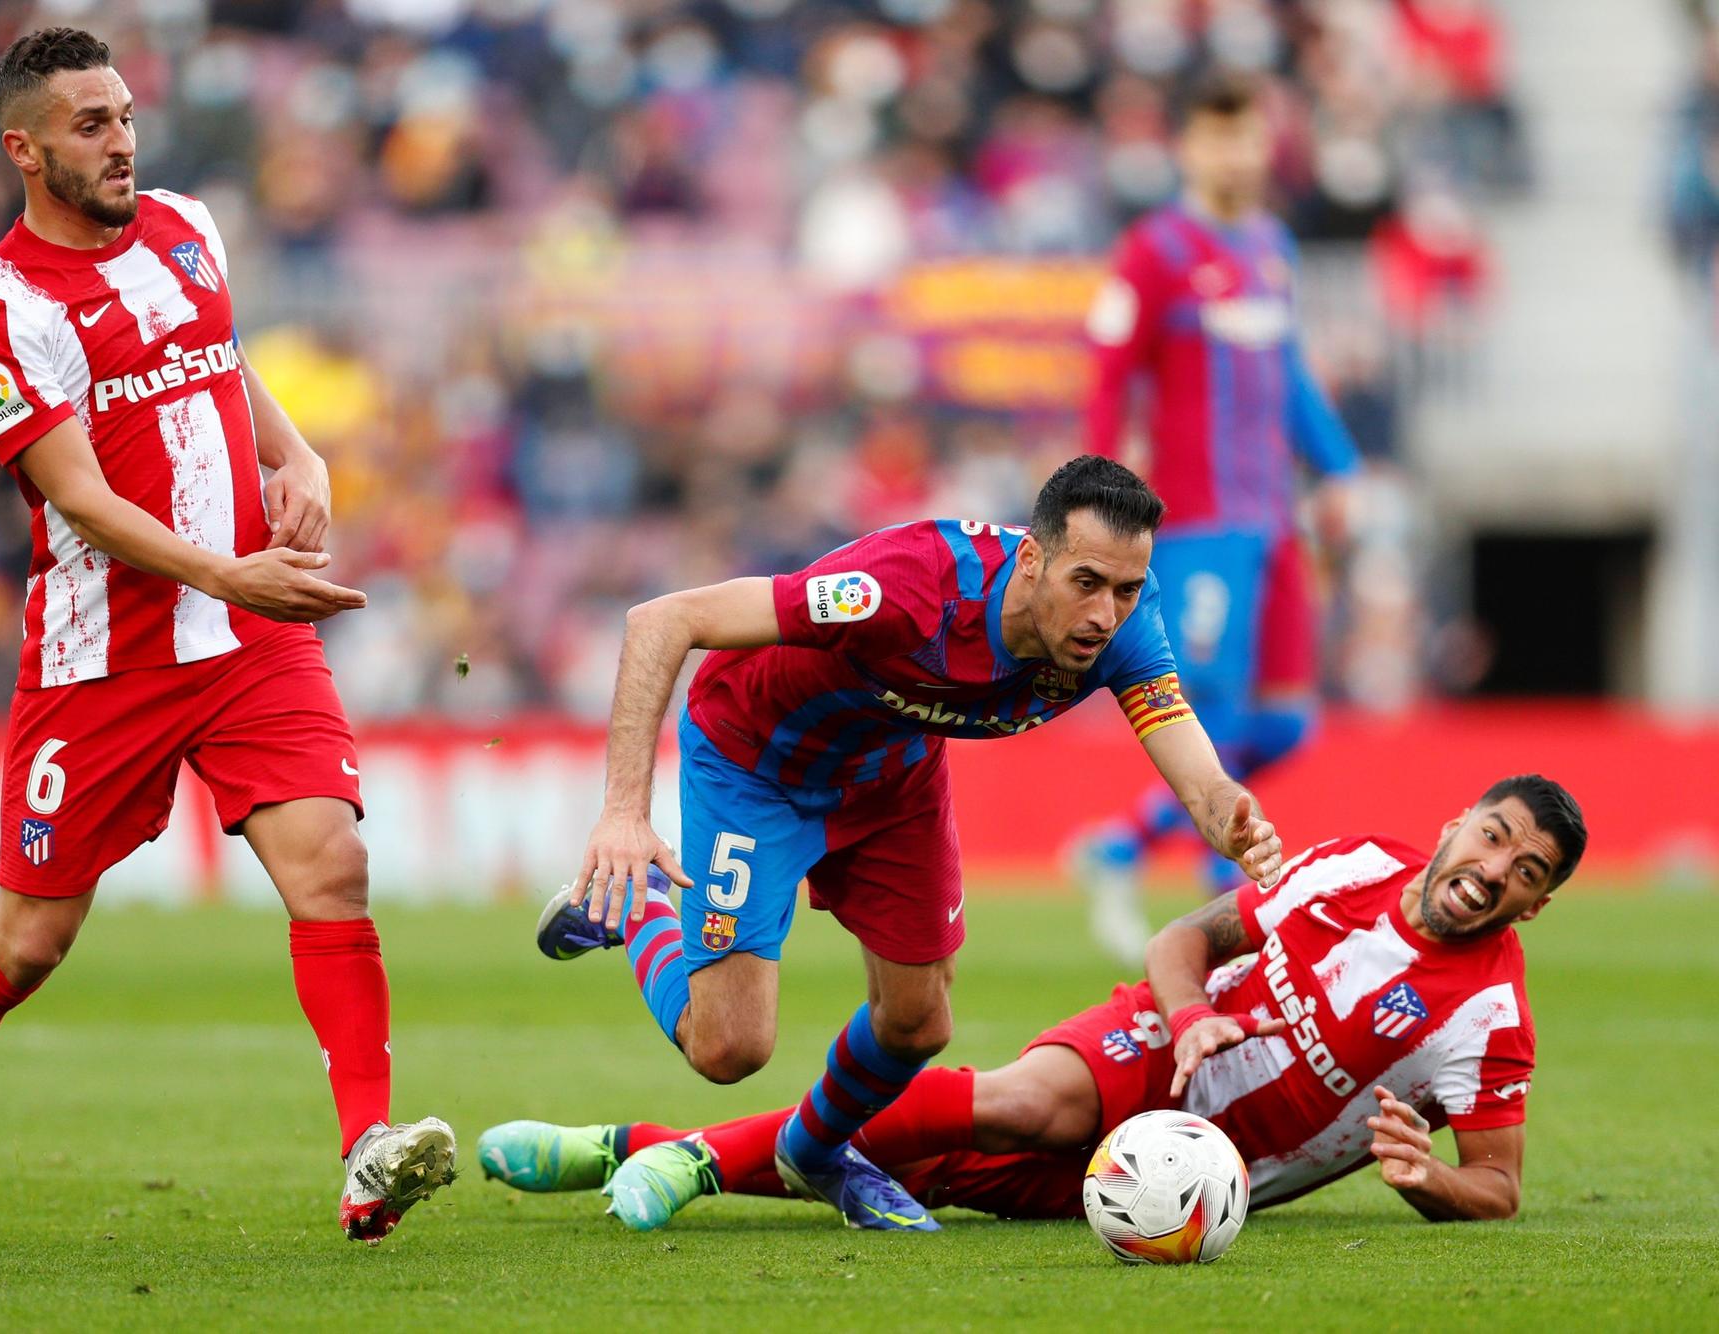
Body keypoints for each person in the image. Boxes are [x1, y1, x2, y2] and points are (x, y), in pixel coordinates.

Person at [0, 27, 453, 1250]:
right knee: (30, 939)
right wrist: (230, 566)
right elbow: (79, 497)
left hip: (247, 637)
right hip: (103, 657)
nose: (122, 139)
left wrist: (299, 453)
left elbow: (217, 362)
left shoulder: (186, 223)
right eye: (89, 123)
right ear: (24, 150)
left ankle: (366, 1153)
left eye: (124, 113)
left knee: (329, 865)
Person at [536, 455, 1284, 1232]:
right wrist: (625, 813)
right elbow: (661, 619)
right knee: (728, 1051)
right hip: (756, 765)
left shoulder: (1126, 623)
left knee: (918, 1023)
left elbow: (1187, 755)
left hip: (893, 778)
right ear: (1031, 560)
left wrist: (1226, 810)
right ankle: (642, 910)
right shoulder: (909, 584)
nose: (1106, 613)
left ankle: (815, 1152)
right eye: (1087, 583)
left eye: (1126, 590)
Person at [485, 775, 1582, 1232]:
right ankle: (696, 1162)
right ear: (1454, 825)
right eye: (1492, 835)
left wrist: (1429, 1175)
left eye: (1525, 870)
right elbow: (1183, 938)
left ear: (1530, 906)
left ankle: (620, 1132)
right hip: (1154, 1048)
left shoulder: (1486, 1019)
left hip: (1190, 1173)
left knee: (916, 1172)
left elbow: (1498, 1184)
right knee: (1017, 1102)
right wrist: (1190, 1011)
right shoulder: (1347, 864)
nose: (1494, 868)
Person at [1079, 74, 1362, 964]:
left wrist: (1342, 467)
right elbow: (1106, 374)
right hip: (1197, 524)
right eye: (1219, 137)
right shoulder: (1154, 250)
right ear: (1188, 146)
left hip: (1275, 518)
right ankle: (1226, 927)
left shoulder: (1273, 244)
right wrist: (1095, 497)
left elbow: (1291, 375)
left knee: (1285, 725)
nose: (1237, 154)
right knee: (1221, 715)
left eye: (1250, 138)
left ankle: (1121, 843)